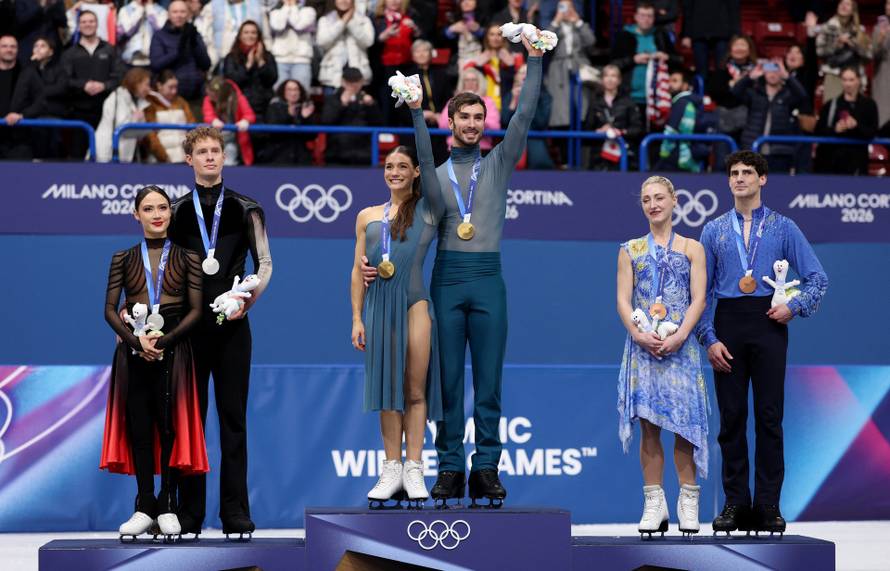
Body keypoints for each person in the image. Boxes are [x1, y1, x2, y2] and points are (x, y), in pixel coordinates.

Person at [363, 32, 545, 509]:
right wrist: (412, 108)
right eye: (462, 116)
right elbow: (421, 155)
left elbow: (524, 115)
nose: (470, 123)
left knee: (488, 381)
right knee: (445, 384)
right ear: (449, 122)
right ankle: (448, 468)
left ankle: (486, 468)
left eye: (477, 116)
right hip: (445, 281)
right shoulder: (434, 175)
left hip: (489, 280)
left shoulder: (499, 162)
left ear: (486, 123)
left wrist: (535, 58)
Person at [696, 150, 828, 536]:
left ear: (763, 179)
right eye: (734, 173)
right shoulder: (713, 230)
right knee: (731, 418)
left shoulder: (785, 228)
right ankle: (735, 503)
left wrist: (796, 306)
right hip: (728, 324)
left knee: (770, 418)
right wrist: (709, 338)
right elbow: (701, 293)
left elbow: (818, 278)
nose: (739, 179)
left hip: (770, 323)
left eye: (747, 173)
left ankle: (768, 504)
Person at [169, 126, 273, 540]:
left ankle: (235, 514)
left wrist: (247, 301)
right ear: (189, 160)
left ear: (224, 157)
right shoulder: (176, 211)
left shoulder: (248, 209)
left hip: (232, 328)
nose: (210, 157)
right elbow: (168, 271)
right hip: (188, 333)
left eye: (216, 151)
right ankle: (189, 514)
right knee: (188, 424)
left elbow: (264, 264)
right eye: (202, 152)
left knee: (233, 421)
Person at [350, 95, 444, 508]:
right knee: (388, 391)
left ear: (416, 172)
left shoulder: (428, 209)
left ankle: (415, 468)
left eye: (402, 166)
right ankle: (390, 468)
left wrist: (416, 113)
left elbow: (425, 150)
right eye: (389, 166)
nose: (394, 171)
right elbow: (358, 270)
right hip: (378, 308)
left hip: (414, 305)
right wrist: (356, 317)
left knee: (414, 389)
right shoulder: (366, 215)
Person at [100, 185, 208, 541]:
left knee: (170, 428)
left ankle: (168, 506)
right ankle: (144, 505)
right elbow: (109, 310)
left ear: (170, 213)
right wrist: (137, 343)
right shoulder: (123, 258)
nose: (157, 214)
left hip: (175, 350)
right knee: (140, 429)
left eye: (163, 207)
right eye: (148, 208)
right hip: (133, 352)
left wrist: (164, 341)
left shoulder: (188, 256)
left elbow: (195, 310)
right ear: (136, 214)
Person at [616, 175, 708, 537]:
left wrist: (682, 335)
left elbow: (698, 298)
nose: (652, 204)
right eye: (646, 199)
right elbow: (623, 300)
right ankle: (654, 503)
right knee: (649, 427)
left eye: (659, 198)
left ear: (674, 201)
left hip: (681, 349)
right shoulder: (629, 250)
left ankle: (688, 500)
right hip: (642, 349)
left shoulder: (692, 248)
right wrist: (639, 335)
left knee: (684, 425)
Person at [61, 9, 125, 159]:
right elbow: (64, 81)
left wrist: (104, 86)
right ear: (78, 25)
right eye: (84, 22)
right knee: (78, 153)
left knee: (105, 154)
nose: (88, 25)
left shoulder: (110, 49)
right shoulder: (69, 53)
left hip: (106, 112)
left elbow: (120, 76)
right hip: (78, 111)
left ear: (97, 24)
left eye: (91, 21)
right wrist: (83, 85)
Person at [731, 60, 808, 173]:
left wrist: (787, 76)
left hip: (779, 150)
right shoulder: (755, 93)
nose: (772, 74)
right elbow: (735, 92)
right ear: (764, 73)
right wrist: (750, 77)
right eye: (769, 70)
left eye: (776, 71)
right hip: (753, 148)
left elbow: (802, 95)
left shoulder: (787, 95)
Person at [611, 1, 681, 114]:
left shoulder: (661, 35)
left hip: (656, 98)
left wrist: (666, 57)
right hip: (629, 97)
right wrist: (633, 59)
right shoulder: (624, 36)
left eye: (650, 16)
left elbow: (678, 60)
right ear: (636, 17)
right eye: (642, 15)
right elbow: (613, 65)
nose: (646, 19)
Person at [8, 36, 68, 159]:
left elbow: (60, 89)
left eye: (42, 46)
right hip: (30, 114)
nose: (38, 49)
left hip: (52, 113)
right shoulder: (28, 69)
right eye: (36, 46)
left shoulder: (59, 69)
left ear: (51, 51)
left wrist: (36, 91)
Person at [814, 66, 878, 175]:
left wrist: (856, 126)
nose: (848, 84)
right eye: (844, 80)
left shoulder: (869, 105)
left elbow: (872, 132)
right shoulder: (830, 105)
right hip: (832, 165)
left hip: (857, 164)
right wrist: (835, 129)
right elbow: (818, 131)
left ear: (858, 81)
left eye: (851, 80)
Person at [150, 0, 212, 102]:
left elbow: (206, 64)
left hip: (196, 93)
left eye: (182, 12)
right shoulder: (160, 36)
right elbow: (156, 64)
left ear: (187, 14)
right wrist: (177, 52)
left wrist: (195, 45)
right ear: (168, 14)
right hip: (172, 95)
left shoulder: (194, 33)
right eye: (175, 12)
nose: (179, 15)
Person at [584, 64, 642, 170]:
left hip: (624, 156)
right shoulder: (595, 103)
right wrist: (598, 131)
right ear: (602, 80)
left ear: (619, 80)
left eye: (614, 76)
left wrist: (621, 132)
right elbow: (586, 131)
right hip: (599, 158)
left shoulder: (628, 102)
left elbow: (637, 129)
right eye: (606, 76)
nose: (610, 79)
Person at [321, 66, 382, 166]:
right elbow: (326, 121)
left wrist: (371, 106)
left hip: (363, 156)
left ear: (362, 81)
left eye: (356, 82)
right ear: (343, 81)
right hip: (336, 155)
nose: (353, 86)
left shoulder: (368, 100)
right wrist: (342, 104)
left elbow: (378, 124)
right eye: (349, 82)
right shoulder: (332, 99)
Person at [816, 0, 871, 102]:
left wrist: (855, 45)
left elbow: (869, 55)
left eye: (847, 4)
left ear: (853, 10)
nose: (843, 6)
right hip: (834, 75)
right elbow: (819, 52)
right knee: (833, 111)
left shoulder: (859, 31)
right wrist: (836, 45)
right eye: (841, 3)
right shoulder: (827, 27)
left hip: (854, 76)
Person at [96, 67, 152, 163]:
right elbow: (122, 128)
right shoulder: (117, 98)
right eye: (146, 84)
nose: (149, 89)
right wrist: (136, 119)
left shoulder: (139, 102)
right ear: (136, 83)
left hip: (126, 154)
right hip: (108, 154)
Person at [223, 20, 278, 118]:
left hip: (263, 108)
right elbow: (231, 81)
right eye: (246, 32)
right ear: (240, 36)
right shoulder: (231, 57)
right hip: (239, 107)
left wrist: (261, 62)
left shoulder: (267, 56)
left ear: (258, 36)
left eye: (253, 32)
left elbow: (272, 79)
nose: (250, 36)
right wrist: (248, 65)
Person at [438, 67, 500, 153]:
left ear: (479, 83)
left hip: (481, 149)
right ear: (462, 83)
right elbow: (443, 124)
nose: (470, 83)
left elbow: (495, 126)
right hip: (456, 149)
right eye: (466, 80)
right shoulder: (453, 101)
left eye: (473, 80)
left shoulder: (488, 101)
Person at [656, 68, 706, 173]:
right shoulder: (691, 102)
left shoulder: (681, 102)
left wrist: (663, 154)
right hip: (691, 155)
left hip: (678, 156)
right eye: (669, 81)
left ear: (685, 85)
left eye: (674, 81)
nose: (670, 84)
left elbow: (671, 130)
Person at [316, 0, 374, 92]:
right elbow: (322, 42)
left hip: (358, 74)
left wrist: (351, 22)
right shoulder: (325, 20)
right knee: (332, 105)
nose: (343, 1)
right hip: (332, 76)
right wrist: (342, 23)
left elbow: (368, 42)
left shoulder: (364, 20)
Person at [144, 69, 198, 163]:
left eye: (176, 87)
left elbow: (192, 128)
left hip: (184, 159)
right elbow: (151, 135)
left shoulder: (182, 103)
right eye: (170, 87)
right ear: (159, 85)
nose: (174, 91)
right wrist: (164, 157)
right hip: (160, 162)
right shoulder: (150, 105)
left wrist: (189, 154)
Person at [197, 0, 268, 70]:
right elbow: (203, 34)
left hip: (252, 58)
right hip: (222, 59)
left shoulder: (256, 6)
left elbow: (266, 36)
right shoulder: (213, 6)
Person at [680, 0, 739, 81]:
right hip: (698, 31)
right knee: (701, 72)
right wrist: (686, 34)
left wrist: (735, 34)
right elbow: (687, 10)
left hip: (723, 32)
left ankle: (720, 92)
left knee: (722, 70)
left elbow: (734, 8)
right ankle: (701, 92)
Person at [202, 75, 256, 165]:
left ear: (221, 94)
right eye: (209, 93)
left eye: (214, 94)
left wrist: (245, 121)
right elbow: (207, 114)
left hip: (234, 140)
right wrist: (213, 120)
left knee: (229, 162)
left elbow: (250, 114)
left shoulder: (238, 98)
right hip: (214, 140)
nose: (210, 96)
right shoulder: (208, 99)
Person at [259, 78, 315, 164]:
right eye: (289, 89)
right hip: (278, 156)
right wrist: (288, 116)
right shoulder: (274, 107)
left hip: (300, 158)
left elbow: (312, 136)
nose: (293, 93)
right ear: (283, 92)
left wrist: (304, 118)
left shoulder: (305, 108)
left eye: (296, 89)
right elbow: (272, 131)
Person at [267, 0, 317, 90]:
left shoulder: (308, 11)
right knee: (279, 93)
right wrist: (286, 7)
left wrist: (293, 6)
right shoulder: (275, 12)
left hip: (301, 60)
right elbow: (279, 26)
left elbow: (298, 25)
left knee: (301, 93)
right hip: (280, 59)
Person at [117, 0, 168, 68]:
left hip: (153, 59)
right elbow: (127, 31)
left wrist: (150, 9)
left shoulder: (161, 11)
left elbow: (161, 31)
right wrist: (139, 10)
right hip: (131, 59)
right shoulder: (125, 10)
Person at [871, 1, 890, 132]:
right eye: (888, 4)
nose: (888, 7)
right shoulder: (879, 29)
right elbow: (872, 54)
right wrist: (881, 39)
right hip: (884, 79)